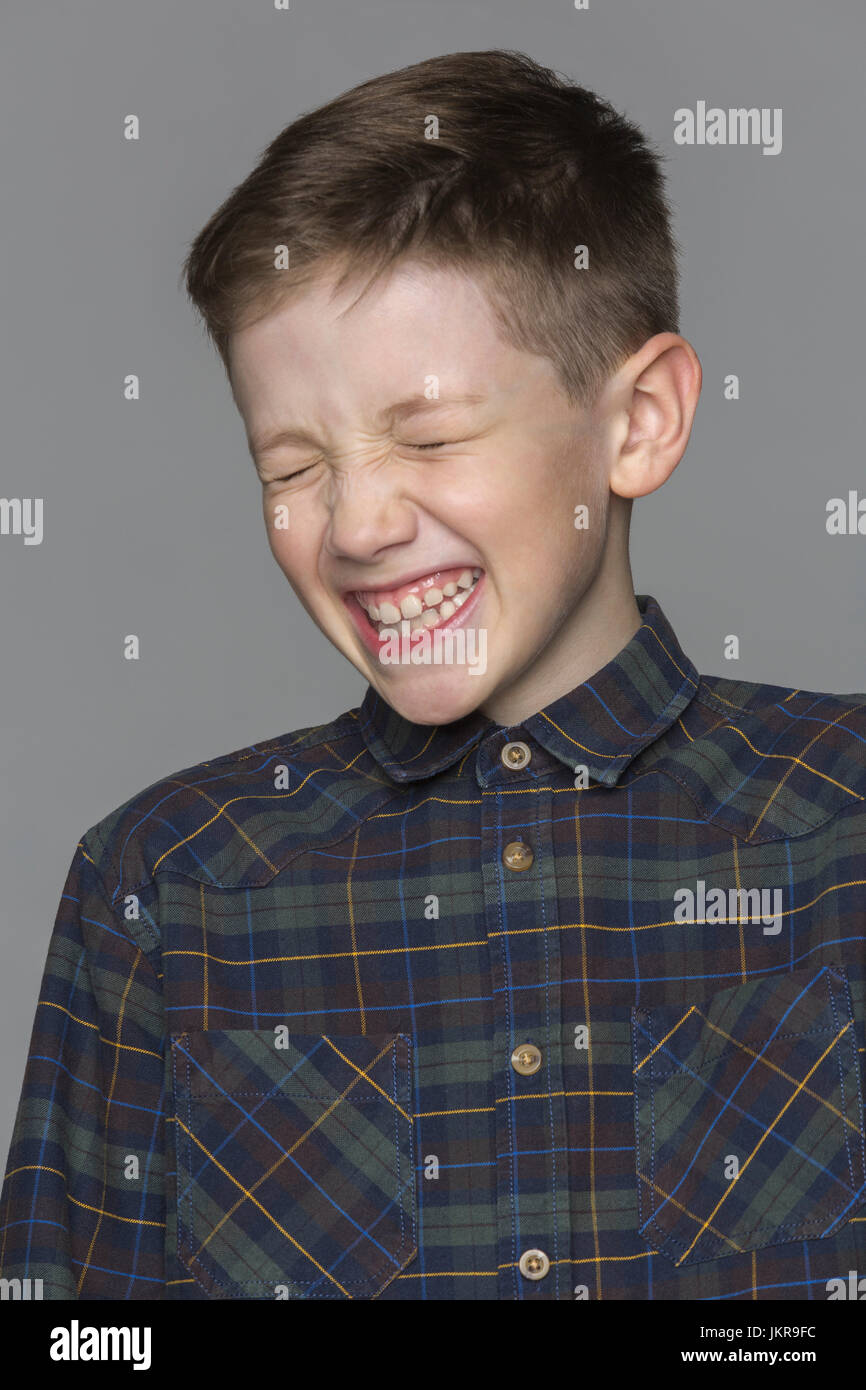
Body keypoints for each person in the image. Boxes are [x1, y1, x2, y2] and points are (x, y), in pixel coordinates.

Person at [2, 49, 864, 1302]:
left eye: (431, 438)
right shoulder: (163, 887)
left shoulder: (844, 828)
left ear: (638, 423)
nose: (354, 525)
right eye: (290, 466)